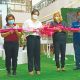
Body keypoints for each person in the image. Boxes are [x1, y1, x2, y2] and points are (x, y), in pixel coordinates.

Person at [23, 9, 42, 75]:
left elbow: (41, 31)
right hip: (30, 37)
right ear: (32, 14)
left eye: (37, 14)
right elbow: (24, 30)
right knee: (30, 54)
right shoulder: (27, 22)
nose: (35, 15)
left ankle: (38, 69)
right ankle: (30, 70)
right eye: (34, 14)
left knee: (37, 54)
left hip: (37, 38)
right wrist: (31, 30)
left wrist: (40, 31)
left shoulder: (39, 22)